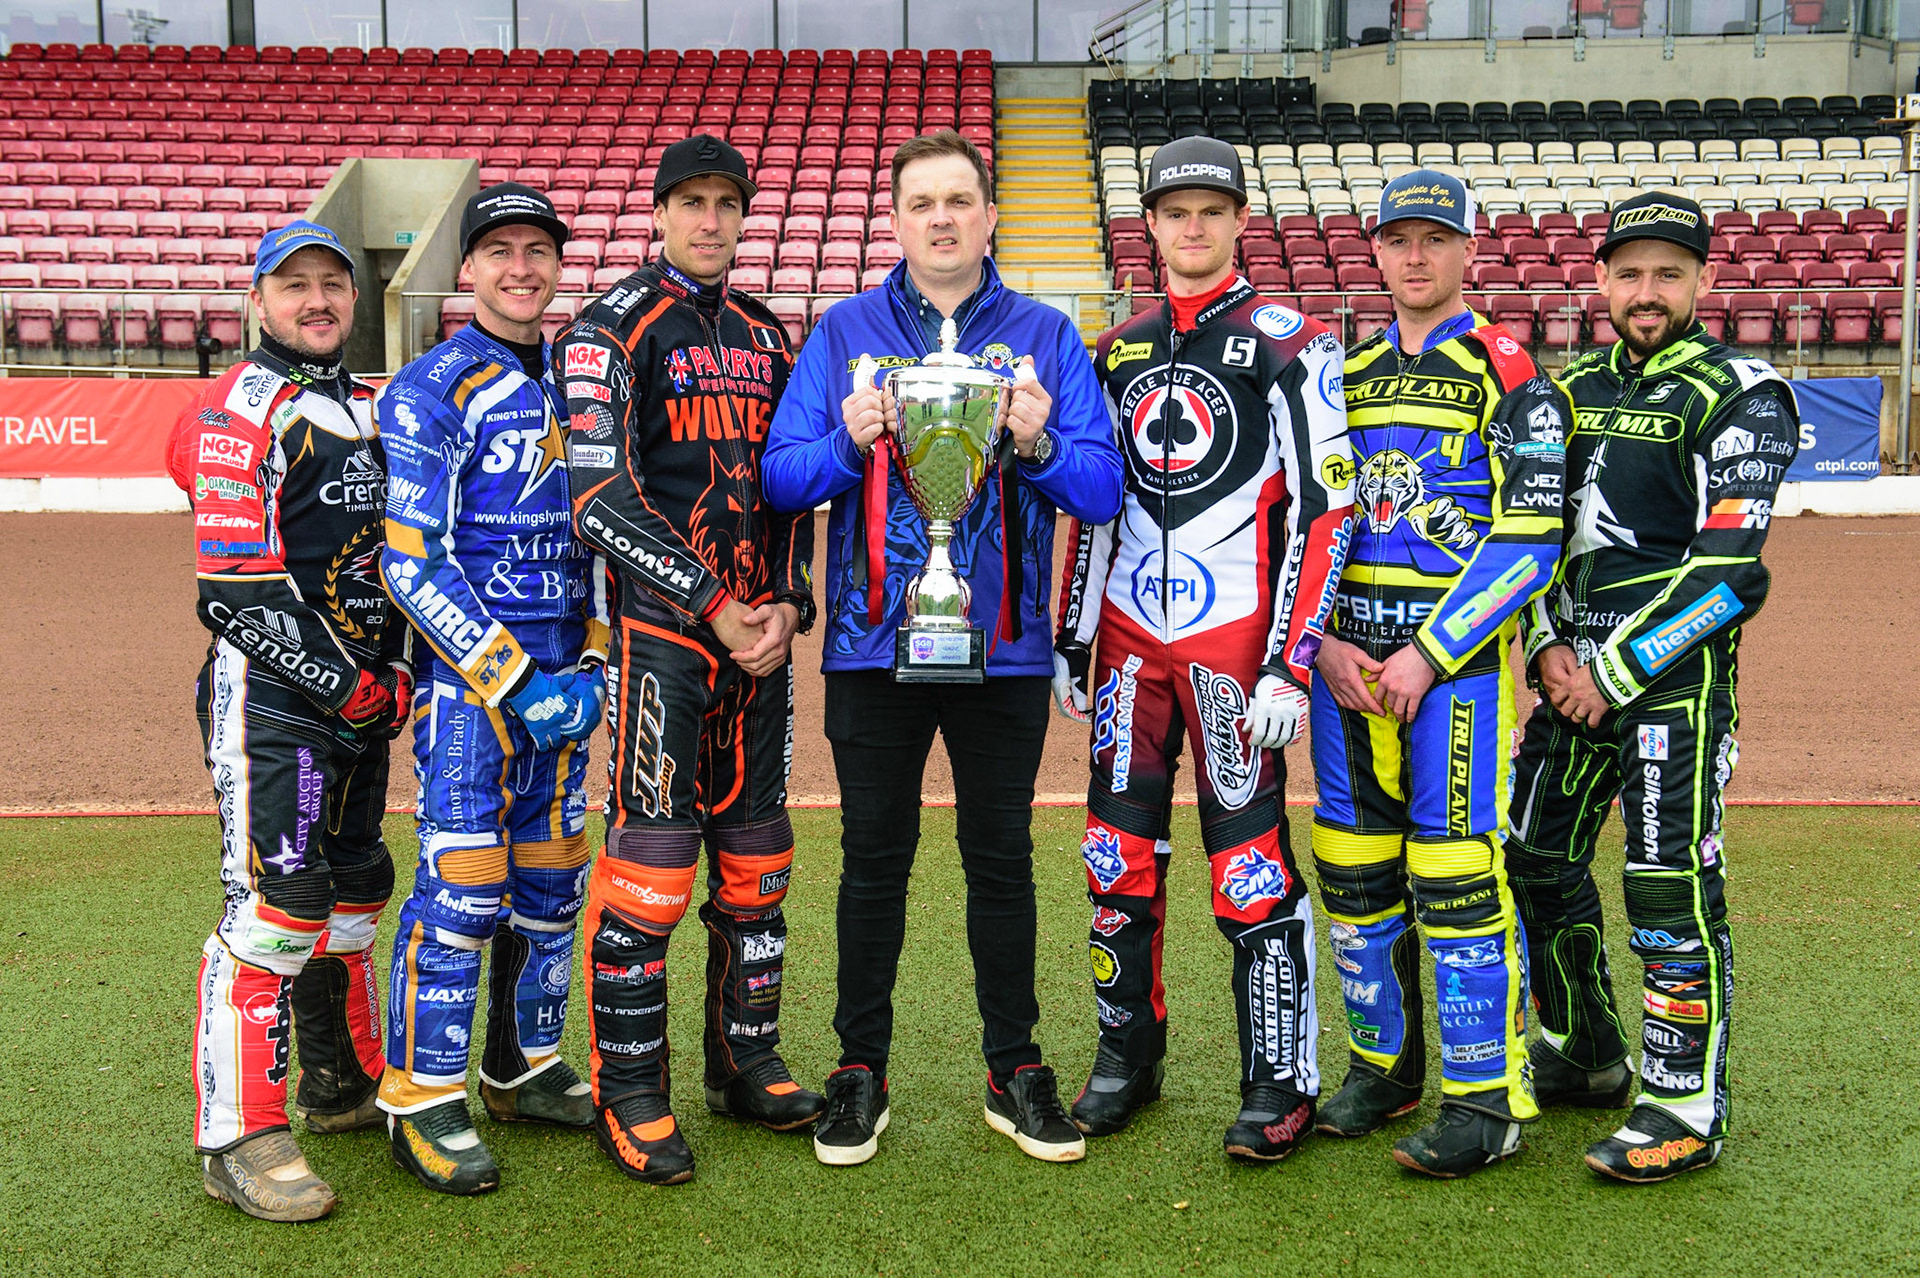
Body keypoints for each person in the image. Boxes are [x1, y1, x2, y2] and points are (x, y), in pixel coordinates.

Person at [762, 129, 1123, 1167]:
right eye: (922, 203)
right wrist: (848, 440)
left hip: (1001, 645)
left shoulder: (1046, 335)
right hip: (872, 642)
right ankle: (859, 1070)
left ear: (991, 216)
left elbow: (1101, 488)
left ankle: (1014, 1067)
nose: (942, 219)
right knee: (872, 860)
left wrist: (1039, 442)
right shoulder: (844, 332)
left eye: (960, 200)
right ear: (895, 222)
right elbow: (784, 478)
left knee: (1001, 859)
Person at [1051, 135, 1354, 1162]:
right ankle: (1125, 1059)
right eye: (1174, 211)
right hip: (1129, 647)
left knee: (1252, 871)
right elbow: (1096, 506)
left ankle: (1279, 1082)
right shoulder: (1116, 349)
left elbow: (1325, 510)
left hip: (1236, 645)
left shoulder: (1294, 343)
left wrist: (1289, 662)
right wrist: (1073, 636)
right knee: (1114, 859)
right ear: (1147, 224)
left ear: (1239, 221)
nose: (1192, 227)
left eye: (1210, 211)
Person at [1507, 191, 1797, 1182]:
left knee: (1667, 889)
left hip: (1674, 692)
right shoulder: (1569, 389)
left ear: (1702, 280)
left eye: (1669, 273)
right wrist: (1546, 645)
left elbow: (1730, 576)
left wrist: (1615, 671)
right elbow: (1534, 536)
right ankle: (1585, 1048)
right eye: (1629, 273)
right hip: (1566, 686)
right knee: (1534, 861)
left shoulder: (1743, 391)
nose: (1647, 291)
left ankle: (1684, 1103)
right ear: (1599, 280)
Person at [552, 135, 820, 1187]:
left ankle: (745, 1063)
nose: (710, 220)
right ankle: (631, 1093)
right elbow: (597, 498)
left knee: (758, 861)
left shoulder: (766, 330)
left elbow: (788, 485)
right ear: (659, 213)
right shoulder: (607, 328)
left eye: (726, 203)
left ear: (744, 215)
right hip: (664, 640)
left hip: (760, 643)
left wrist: (787, 600)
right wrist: (713, 605)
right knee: (654, 872)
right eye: (691, 202)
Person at [1307, 170, 1572, 1177]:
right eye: (1398, 239)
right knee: (1352, 866)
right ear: (1374, 251)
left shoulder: (1512, 372)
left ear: (1468, 249)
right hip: (1346, 668)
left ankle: (1486, 1103)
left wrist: (1429, 653)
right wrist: (1321, 645)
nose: (1415, 257)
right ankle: (1384, 1068)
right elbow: (1310, 523)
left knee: (1456, 874)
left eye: (1435, 239)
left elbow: (1532, 538)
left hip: (1452, 673)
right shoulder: (1342, 373)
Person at [168, 220, 408, 1221]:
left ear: (355, 299)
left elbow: (400, 560)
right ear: (257, 301)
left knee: (355, 889)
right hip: (274, 700)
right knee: (279, 905)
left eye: (332, 284)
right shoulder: (240, 407)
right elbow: (230, 588)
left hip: (363, 702)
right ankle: (239, 1138)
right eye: (294, 284)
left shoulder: (369, 405)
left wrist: (394, 671)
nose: (317, 300)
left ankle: (342, 1084)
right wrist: (344, 681)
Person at [374, 183, 607, 1195]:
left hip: (568, 684)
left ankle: (523, 1066)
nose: (521, 268)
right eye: (500, 251)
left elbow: (608, 532)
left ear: (558, 266)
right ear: (467, 269)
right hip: (472, 694)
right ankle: (420, 1097)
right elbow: (411, 563)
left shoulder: (585, 383)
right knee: (464, 886)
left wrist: (593, 664)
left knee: (554, 879)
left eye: (538, 250)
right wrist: (511, 679)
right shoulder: (428, 388)